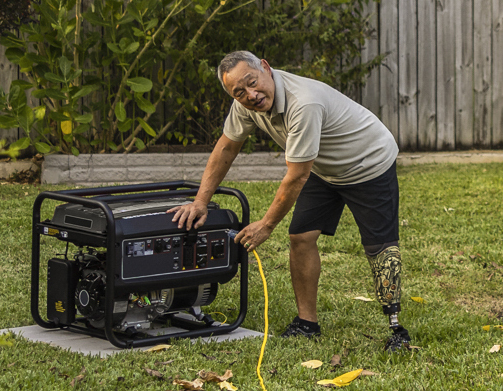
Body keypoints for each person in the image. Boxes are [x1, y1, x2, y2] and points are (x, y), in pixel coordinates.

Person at [173, 51, 411, 350]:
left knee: (379, 247)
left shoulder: (304, 102)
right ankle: (307, 323)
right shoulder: (245, 105)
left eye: (252, 82)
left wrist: (266, 224)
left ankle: (396, 328)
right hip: (323, 168)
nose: (251, 95)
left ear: (266, 68)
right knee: (300, 237)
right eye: (240, 92)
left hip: (367, 161)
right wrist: (200, 202)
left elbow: (296, 177)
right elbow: (226, 148)